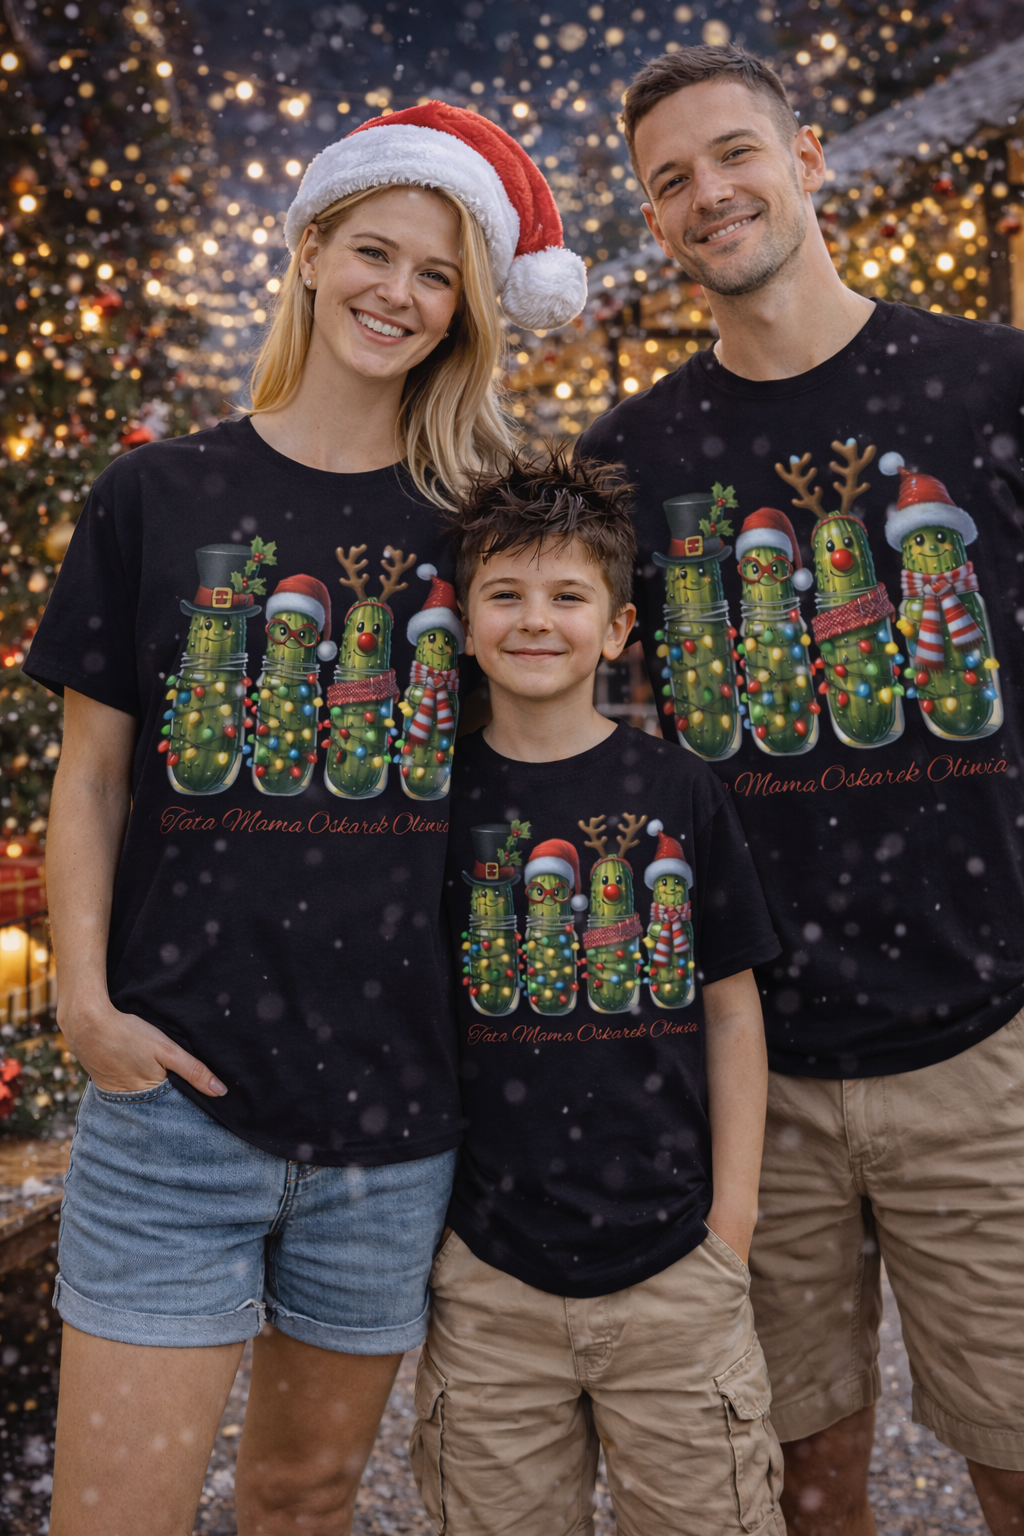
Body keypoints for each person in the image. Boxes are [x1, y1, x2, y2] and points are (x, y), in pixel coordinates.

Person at [26, 103, 587, 1536]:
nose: (398, 292)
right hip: (173, 1107)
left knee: (302, 1495)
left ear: (466, 310)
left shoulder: (484, 526)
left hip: (393, 1120)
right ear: (311, 251)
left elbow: (544, 777)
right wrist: (84, 1005)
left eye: (438, 273)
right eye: (374, 252)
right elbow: (91, 776)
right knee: (113, 1516)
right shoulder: (159, 494)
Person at [577, 42, 1024, 1536]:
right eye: (670, 181)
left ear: (808, 158)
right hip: (748, 1064)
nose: (709, 194)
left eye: (734, 154)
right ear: (654, 220)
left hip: (986, 1045)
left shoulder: (991, 384)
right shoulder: (631, 459)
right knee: (801, 1482)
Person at [409, 451, 785, 1535]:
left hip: (675, 1268)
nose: (536, 620)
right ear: (465, 624)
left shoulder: (678, 789)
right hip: (491, 1280)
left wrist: (731, 1223)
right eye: (505, 594)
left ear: (618, 628)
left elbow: (730, 1008)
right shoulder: (432, 801)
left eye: (568, 596)